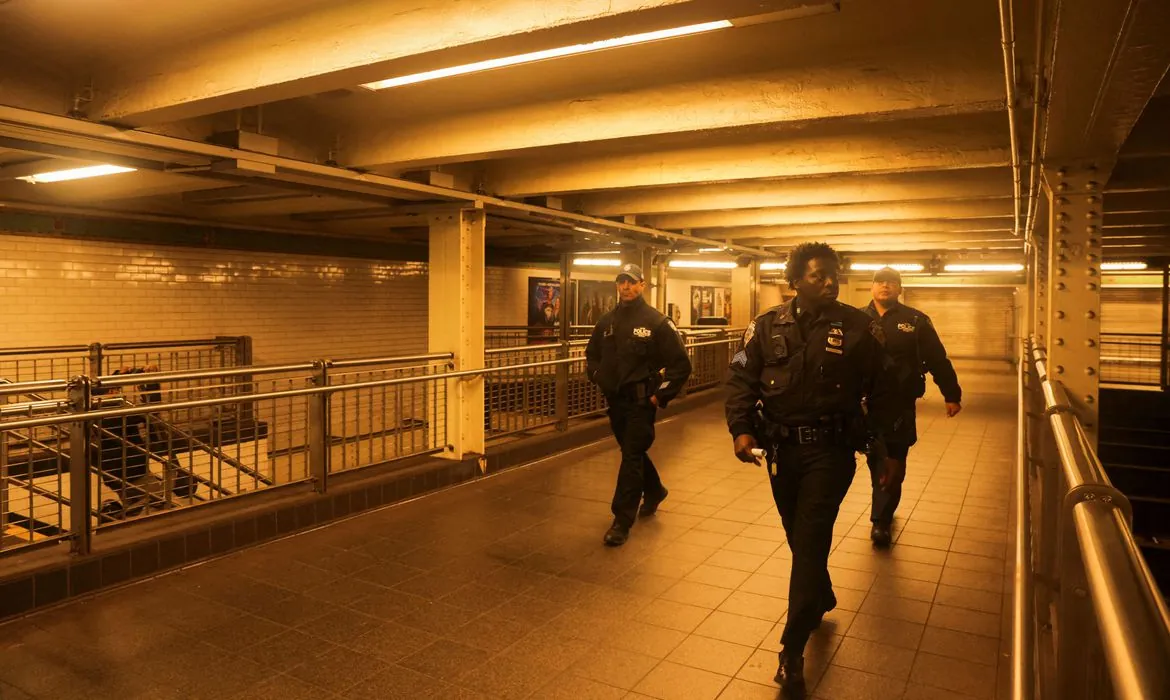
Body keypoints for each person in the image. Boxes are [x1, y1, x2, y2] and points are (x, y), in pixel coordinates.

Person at [725, 242, 900, 698]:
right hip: (781, 453)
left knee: (810, 539)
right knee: (798, 535)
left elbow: (885, 390)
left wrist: (887, 450)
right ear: (795, 281)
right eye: (818, 276)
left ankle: (792, 648)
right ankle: (819, 593)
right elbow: (741, 379)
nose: (829, 282)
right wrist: (741, 429)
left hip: (831, 452)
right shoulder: (766, 326)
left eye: (833, 275)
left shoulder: (858, 327)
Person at [586, 263, 692, 546]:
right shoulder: (606, 322)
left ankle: (621, 521)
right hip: (616, 403)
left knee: (631, 456)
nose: (626, 287)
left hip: (642, 403)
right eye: (622, 282)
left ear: (642, 285)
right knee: (632, 452)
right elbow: (592, 354)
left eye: (632, 282)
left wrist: (660, 396)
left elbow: (681, 365)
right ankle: (655, 490)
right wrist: (597, 376)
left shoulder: (657, 322)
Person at [864, 267, 962, 546]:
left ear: (899, 289)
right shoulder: (856, 318)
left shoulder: (915, 320)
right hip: (864, 404)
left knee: (894, 460)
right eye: (880, 282)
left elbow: (937, 358)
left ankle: (881, 521)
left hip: (899, 404)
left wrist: (951, 393)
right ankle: (881, 508)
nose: (885, 286)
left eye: (891, 282)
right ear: (872, 287)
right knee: (875, 461)